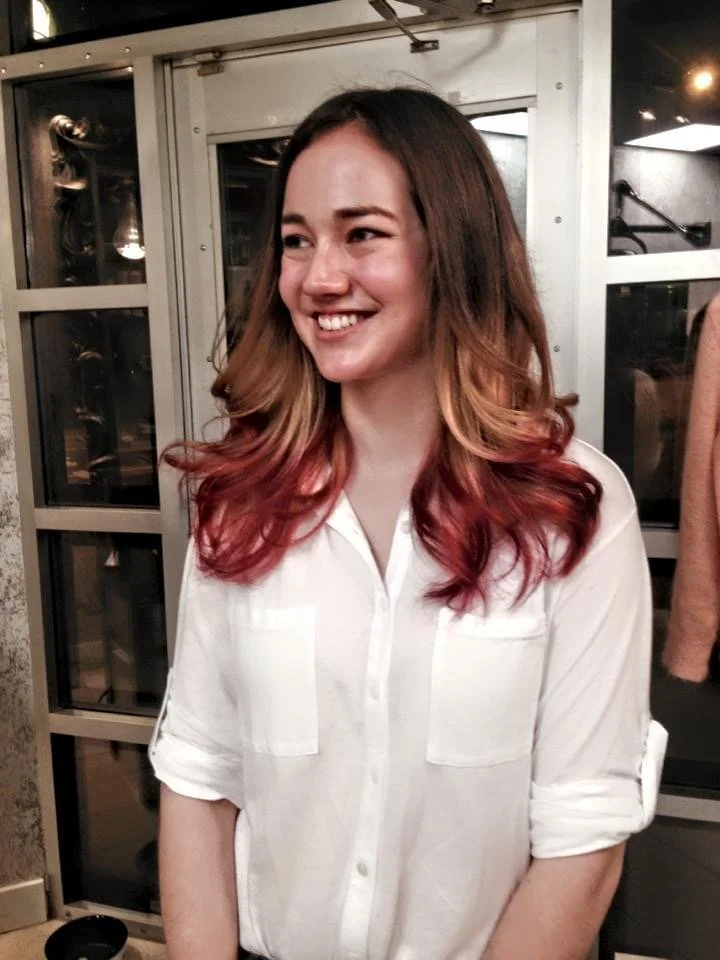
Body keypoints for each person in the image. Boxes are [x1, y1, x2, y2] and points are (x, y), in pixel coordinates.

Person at [149, 87, 667, 960]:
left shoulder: (572, 511)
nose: (320, 278)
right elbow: (199, 781)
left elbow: (583, 841)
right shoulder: (244, 501)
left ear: (451, 250)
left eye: (363, 233)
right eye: (296, 240)